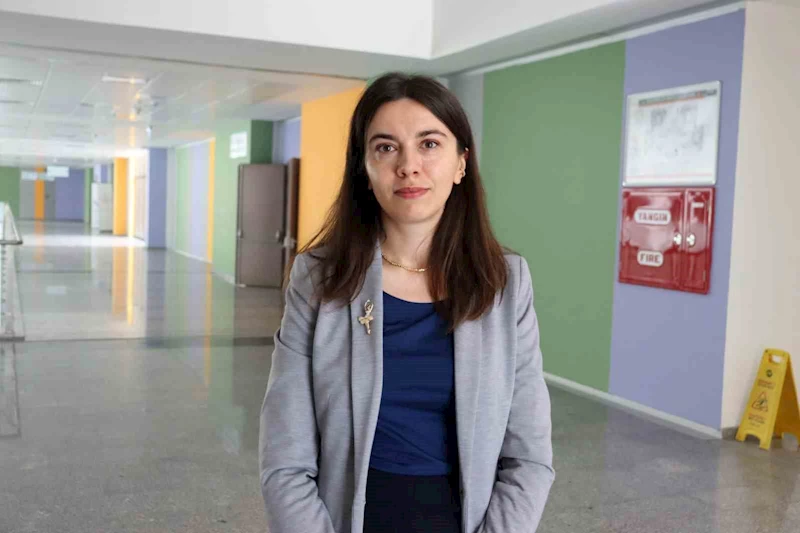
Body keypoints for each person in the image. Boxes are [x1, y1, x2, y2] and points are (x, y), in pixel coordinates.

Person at [259, 72, 554, 533]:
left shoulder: (505, 282)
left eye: (429, 144)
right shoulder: (319, 279)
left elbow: (529, 457)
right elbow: (284, 460)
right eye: (386, 147)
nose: (409, 166)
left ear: (461, 163)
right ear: (364, 168)